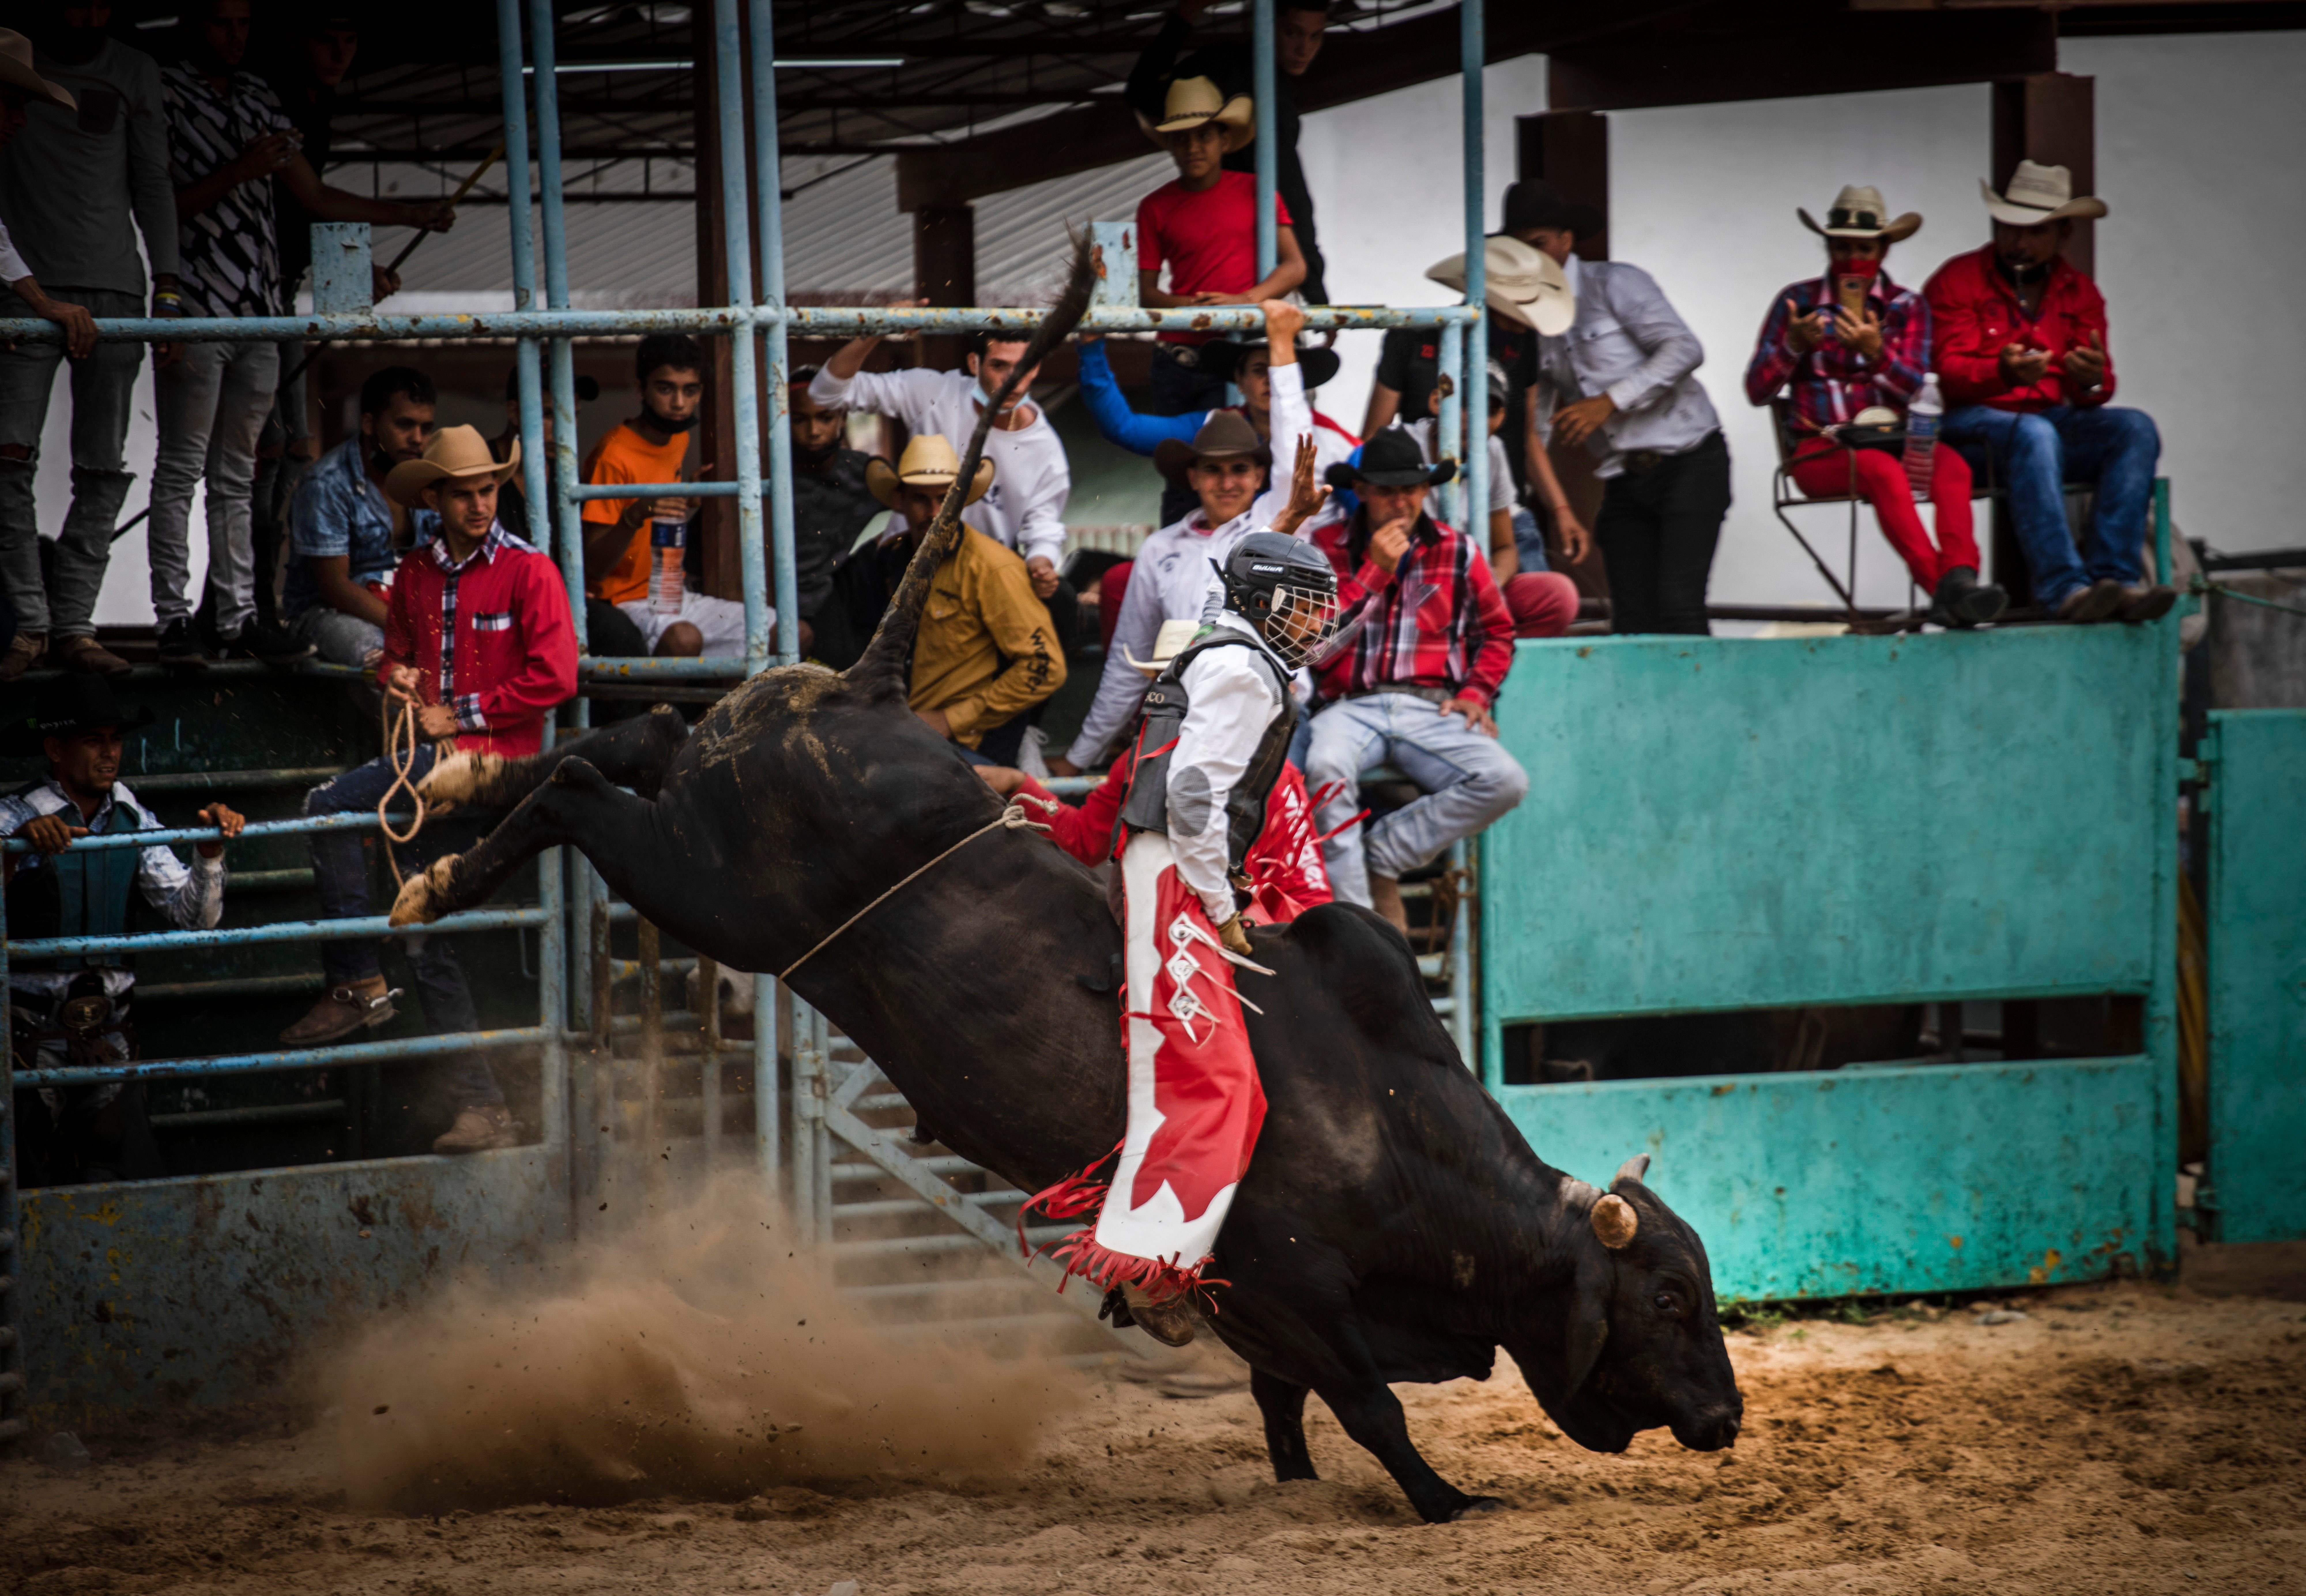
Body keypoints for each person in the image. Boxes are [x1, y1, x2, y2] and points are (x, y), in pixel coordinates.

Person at [1020, 497, 1339, 1339]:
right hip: (1179, 882)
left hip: (1167, 876)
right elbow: (1196, 798)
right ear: (1265, 602)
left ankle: (1163, 1261)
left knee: (1228, 1087)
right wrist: (1224, 904)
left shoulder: (1214, 660)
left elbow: (1111, 821)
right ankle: (1150, 1267)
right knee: (1218, 1085)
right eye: (1304, 604)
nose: (1316, 623)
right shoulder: (1241, 670)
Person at [281, 426, 576, 1154]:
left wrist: (461, 714)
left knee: (325, 806)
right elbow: (396, 656)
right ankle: (485, 1107)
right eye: (464, 493)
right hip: (435, 763)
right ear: (436, 499)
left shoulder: (529, 570)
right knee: (425, 937)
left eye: (488, 490)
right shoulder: (415, 573)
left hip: (493, 766)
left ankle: (355, 980)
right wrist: (396, 675)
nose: (480, 504)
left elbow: (557, 676)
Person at [153, 0, 451, 667]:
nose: (340, 53)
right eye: (327, 39)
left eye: (350, 39)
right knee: (199, 466)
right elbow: (158, 202)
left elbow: (309, 200)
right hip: (199, 301)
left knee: (254, 466)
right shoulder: (171, 89)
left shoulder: (262, 98)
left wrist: (390, 233)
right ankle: (188, 619)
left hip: (265, 301)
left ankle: (238, 616)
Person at [1058, 303, 1327, 776]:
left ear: (1259, 475)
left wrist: (1283, 345)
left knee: (1269, 802)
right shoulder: (1160, 549)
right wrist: (1078, 759)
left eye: (1240, 468)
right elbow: (1127, 667)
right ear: (1194, 477)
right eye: (1214, 469)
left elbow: (1294, 446)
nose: (1228, 482)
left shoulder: (1278, 521)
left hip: (1269, 710)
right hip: (1183, 712)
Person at [3, 673, 245, 1185]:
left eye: (115, 739)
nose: (110, 753)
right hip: (26, 1032)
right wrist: (13, 851)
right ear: (55, 748)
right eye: (93, 740)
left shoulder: (133, 816)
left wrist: (208, 852)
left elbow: (194, 918)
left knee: (114, 1162)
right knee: (26, 1170)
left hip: (111, 1029)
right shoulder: (12, 817)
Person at [0, 12, 179, 681]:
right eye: (14, 105)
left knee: (101, 466)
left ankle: (71, 626)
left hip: (109, 291)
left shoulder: (134, 69)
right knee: (8, 460)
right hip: (25, 294)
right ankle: (31, 626)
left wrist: (168, 286)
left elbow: (154, 179)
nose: (20, 119)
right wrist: (36, 297)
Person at [1923, 161, 2175, 623]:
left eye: (2036, 232)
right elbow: (1947, 374)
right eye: (2010, 228)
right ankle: (2064, 589)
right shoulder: (1957, 279)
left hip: (2044, 427)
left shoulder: (2080, 292)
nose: (2019, 243)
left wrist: (2091, 379)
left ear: (2064, 234)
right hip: (1966, 431)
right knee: (2034, 433)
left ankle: (2115, 581)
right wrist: (2002, 374)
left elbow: (2095, 391)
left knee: (2135, 428)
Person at [1747, 186, 2006, 627]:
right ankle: (1945, 591)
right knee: (1881, 471)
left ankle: (1960, 578)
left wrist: (1877, 354)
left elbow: (1920, 392)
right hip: (1819, 448)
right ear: (1828, 247)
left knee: (1953, 468)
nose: (1853, 259)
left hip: (1893, 439)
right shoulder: (1798, 303)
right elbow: (1757, 391)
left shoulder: (1907, 306)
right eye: (1842, 247)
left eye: (1864, 248)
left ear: (1884, 249)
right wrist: (1792, 346)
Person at [1303, 428, 1526, 932]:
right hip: (1348, 706)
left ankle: (1384, 853)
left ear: (1427, 490)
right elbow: (1314, 648)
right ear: (1362, 491)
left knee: (1506, 780)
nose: (1400, 501)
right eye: (1387, 490)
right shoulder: (1324, 548)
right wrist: (1374, 572)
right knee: (1324, 766)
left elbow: (1497, 632)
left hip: (1431, 706)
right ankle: (1359, 928)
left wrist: (1476, 693)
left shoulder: (1458, 549)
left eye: (1411, 488)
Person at [975, 617, 1333, 926]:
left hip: (1247, 936)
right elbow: (1085, 840)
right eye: (1164, 684)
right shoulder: (1135, 762)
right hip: (1163, 927)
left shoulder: (1271, 771)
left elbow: (1307, 894)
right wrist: (1019, 783)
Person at [1514, 187, 1730, 636]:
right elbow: (1535, 430)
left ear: (1566, 240)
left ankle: (1694, 684)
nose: (1531, 258)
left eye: (1539, 243)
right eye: (1520, 248)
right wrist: (1554, 509)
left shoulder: (1615, 283)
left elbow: (1685, 348)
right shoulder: (1530, 321)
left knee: (1680, 607)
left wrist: (1608, 402)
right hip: (1623, 476)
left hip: (1689, 458)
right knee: (1631, 620)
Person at [822, 435, 1063, 763]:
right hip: (901, 737)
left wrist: (950, 720)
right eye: (921, 499)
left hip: (966, 749)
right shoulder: (888, 559)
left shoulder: (993, 568)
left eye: (945, 499)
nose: (935, 513)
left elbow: (1045, 667)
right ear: (901, 501)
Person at [809, 328, 1075, 625]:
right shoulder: (935, 392)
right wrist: (880, 327)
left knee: (1060, 602)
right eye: (999, 365)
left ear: (1036, 367)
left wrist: (1041, 566)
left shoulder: (1046, 449)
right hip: (902, 563)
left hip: (983, 576)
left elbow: (1043, 528)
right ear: (974, 363)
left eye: (1024, 366)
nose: (1012, 379)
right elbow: (826, 391)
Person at [1127, 0, 1331, 307]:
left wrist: (1311, 290)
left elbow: (1290, 198)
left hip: (1258, 282)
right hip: (1224, 290)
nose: (1304, 50)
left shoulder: (1257, 188)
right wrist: (1185, 15)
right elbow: (1141, 92)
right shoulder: (1225, 66)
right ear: (1268, 27)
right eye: (1292, 33)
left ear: (1226, 139)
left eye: (1315, 37)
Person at [1077, 307, 1356, 529]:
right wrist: (1091, 348)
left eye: (1281, 370)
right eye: (1260, 370)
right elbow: (1125, 428)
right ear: (1240, 380)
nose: (1273, 380)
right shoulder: (1214, 427)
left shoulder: (1334, 442)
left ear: (1299, 380)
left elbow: (1366, 511)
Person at [1371, 229, 1576, 527]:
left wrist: (1561, 510)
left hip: (1502, 508)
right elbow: (1374, 436)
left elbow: (1527, 434)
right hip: (1426, 508)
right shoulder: (1411, 340)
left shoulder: (1524, 344)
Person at [1131, 75, 1307, 416]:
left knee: (1238, 443)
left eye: (1204, 136)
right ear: (1169, 145)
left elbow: (1295, 267)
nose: (1193, 147)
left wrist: (1243, 301)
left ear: (1224, 141)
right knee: (1179, 449)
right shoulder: (1153, 207)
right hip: (1178, 357)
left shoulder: (1258, 191)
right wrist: (1200, 310)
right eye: (1180, 138)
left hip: (1241, 352)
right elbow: (1146, 293)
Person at [579, 334, 754, 658]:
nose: (679, 404)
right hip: (623, 600)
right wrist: (634, 515)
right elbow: (595, 567)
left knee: (785, 631)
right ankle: (659, 696)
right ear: (640, 389)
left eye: (690, 391)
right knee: (684, 641)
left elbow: (656, 499)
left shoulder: (678, 438)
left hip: (672, 590)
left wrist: (687, 496)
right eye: (665, 389)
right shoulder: (613, 455)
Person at [1395, 360, 1580, 639]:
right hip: (1411, 587)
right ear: (1436, 401)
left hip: (1470, 587)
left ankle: (1492, 658)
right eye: (1464, 405)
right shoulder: (1401, 445)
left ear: (1502, 417)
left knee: (1558, 596)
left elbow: (1505, 547)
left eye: (1489, 411)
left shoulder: (1492, 450)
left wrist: (1488, 584)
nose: (1476, 420)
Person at [485, 365, 643, 659]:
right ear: (514, 412)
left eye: (572, 415)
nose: (562, 429)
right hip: (494, 605)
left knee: (619, 634)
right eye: (548, 415)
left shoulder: (565, 476)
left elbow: (579, 561)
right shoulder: (483, 467)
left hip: (552, 604)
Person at [284, 364, 434, 667]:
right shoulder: (327, 483)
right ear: (369, 424)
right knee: (383, 657)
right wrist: (412, 631)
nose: (417, 439)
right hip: (332, 614)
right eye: (405, 425)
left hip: (410, 606)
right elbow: (335, 588)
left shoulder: (428, 477)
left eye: (426, 428)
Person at [784, 365, 881, 659]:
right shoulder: (767, 476)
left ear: (842, 418)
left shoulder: (865, 474)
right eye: (800, 420)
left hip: (834, 605)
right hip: (776, 604)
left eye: (825, 418)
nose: (814, 432)